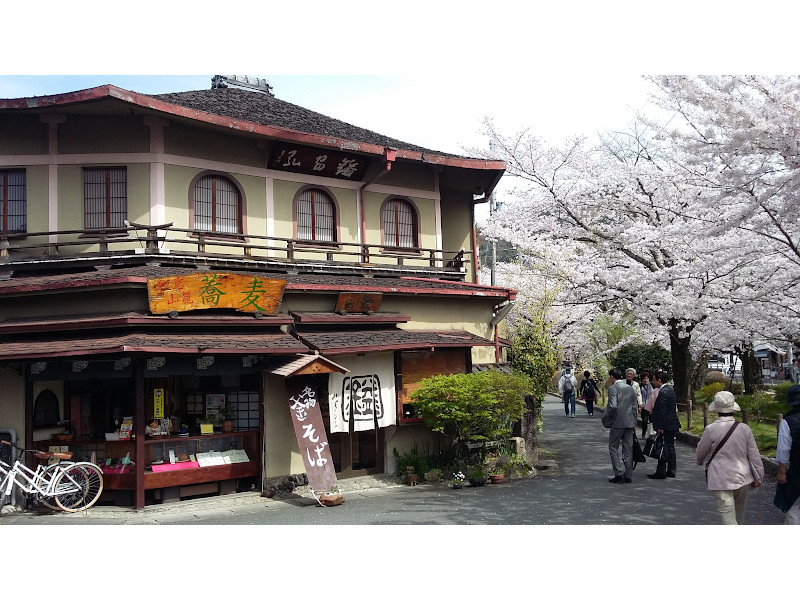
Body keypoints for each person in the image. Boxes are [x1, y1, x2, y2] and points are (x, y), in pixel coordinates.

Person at [696, 391, 764, 525]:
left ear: (716, 409)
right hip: (742, 476)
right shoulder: (744, 428)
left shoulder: (711, 429)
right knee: (739, 515)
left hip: (720, 477)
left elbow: (701, 450)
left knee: (727, 515)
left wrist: (700, 460)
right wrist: (759, 475)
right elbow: (754, 454)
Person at [606, 367, 638, 483]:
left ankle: (618, 474)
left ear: (611, 377)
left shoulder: (612, 388)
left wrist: (608, 418)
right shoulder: (630, 388)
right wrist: (634, 421)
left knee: (613, 447)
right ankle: (628, 475)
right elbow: (634, 406)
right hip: (629, 422)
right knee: (628, 448)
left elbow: (612, 406)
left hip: (617, 422)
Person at [775, 384, 800, 524]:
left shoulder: (788, 422)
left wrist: (782, 472)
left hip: (797, 471)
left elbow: (783, 450)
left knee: (794, 509)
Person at [648, 371, 680, 479]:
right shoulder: (670, 391)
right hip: (672, 422)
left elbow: (662, 411)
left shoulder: (663, 393)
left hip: (665, 424)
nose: (653, 382)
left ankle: (661, 471)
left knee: (662, 447)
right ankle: (671, 469)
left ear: (659, 380)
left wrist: (660, 426)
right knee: (670, 447)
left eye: (654, 380)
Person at [639, 373, 653, 439]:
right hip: (643, 406)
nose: (646, 380)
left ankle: (651, 433)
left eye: (647, 378)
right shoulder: (640, 386)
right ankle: (643, 433)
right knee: (644, 420)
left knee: (652, 420)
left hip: (651, 406)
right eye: (644, 378)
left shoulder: (652, 386)